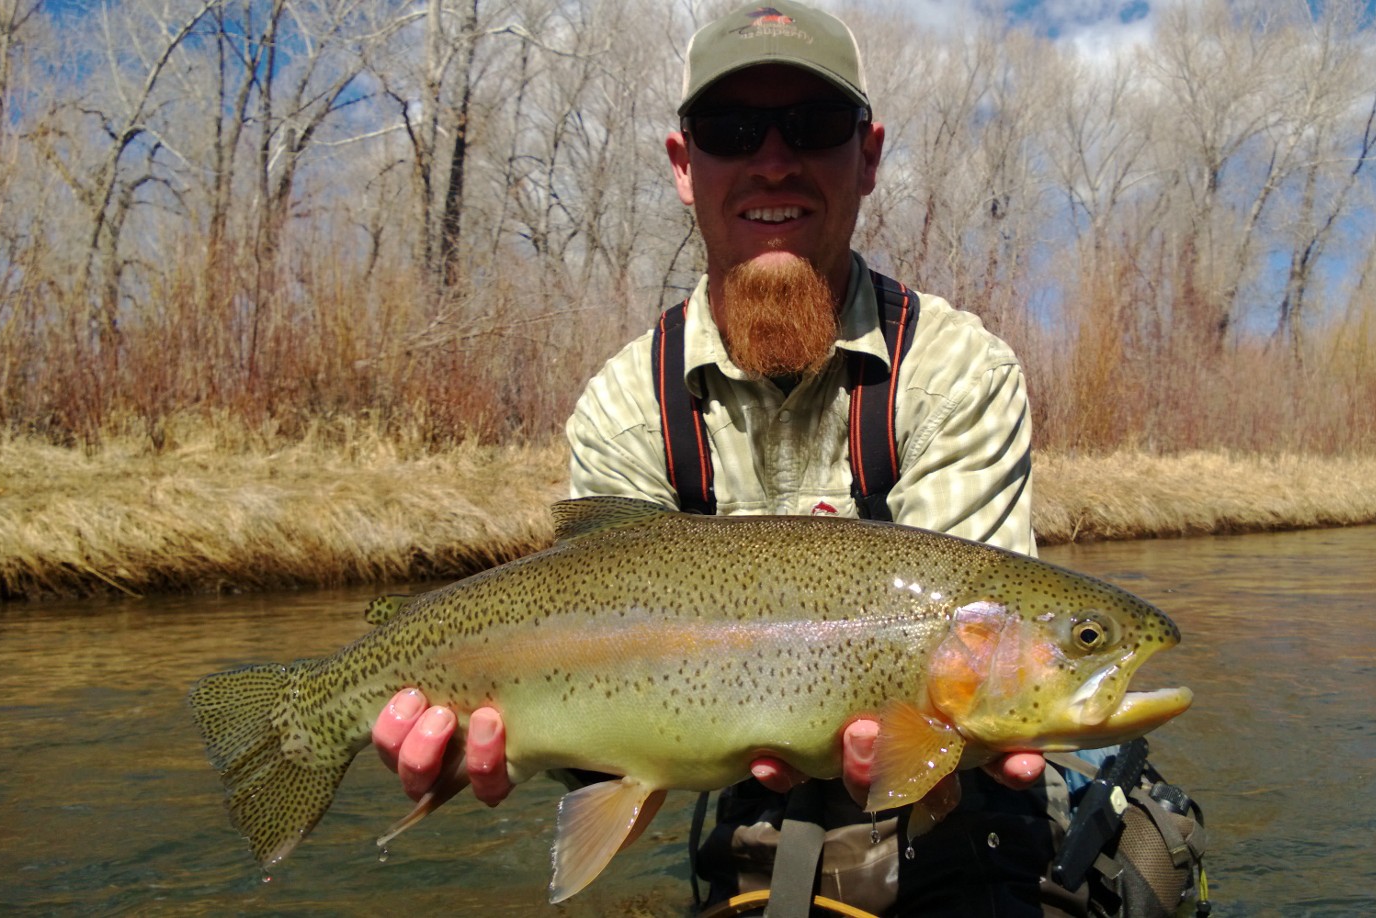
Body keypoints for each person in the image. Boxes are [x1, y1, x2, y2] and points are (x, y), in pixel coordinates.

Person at [371, 2, 1078, 914]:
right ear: (683, 164)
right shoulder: (627, 407)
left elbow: (963, 671)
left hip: (956, 821)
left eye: (815, 125)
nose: (773, 160)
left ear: (867, 157)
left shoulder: (957, 372)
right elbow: (596, 684)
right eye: (730, 129)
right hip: (745, 820)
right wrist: (518, 745)